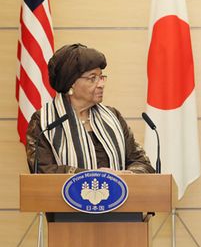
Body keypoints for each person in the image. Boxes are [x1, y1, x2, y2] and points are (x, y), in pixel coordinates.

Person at [25, 43, 155, 174]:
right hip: (65, 194)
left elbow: (141, 162)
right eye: (93, 78)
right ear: (71, 83)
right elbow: (42, 170)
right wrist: (94, 176)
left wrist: (128, 174)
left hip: (119, 193)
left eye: (101, 77)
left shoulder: (112, 116)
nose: (101, 84)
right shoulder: (44, 122)